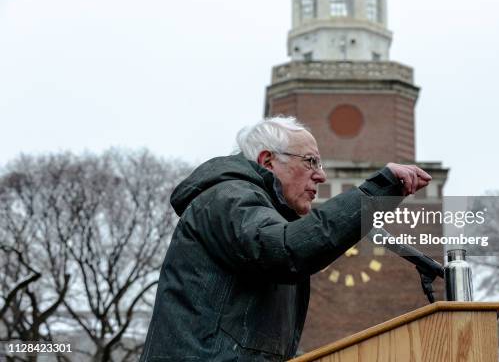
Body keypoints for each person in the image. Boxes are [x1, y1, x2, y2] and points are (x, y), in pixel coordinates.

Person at [140, 116, 431, 361]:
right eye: (311, 162)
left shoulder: (255, 208)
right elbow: (287, 250)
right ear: (267, 161)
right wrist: (376, 192)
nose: (321, 176)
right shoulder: (228, 197)